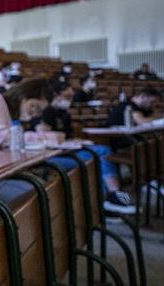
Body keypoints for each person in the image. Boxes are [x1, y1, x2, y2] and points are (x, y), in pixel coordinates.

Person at [33, 82, 136, 214]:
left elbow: (67, 136)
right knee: (93, 157)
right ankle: (106, 198)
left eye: (71, 97)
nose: (69, 100)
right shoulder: (47, 112)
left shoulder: (64, 114)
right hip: (53, 154)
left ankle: (113, 194)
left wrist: (76, 141)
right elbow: (44, 137)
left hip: (67, 149)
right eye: (67, 96)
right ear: (56, 95)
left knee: (104, 150)